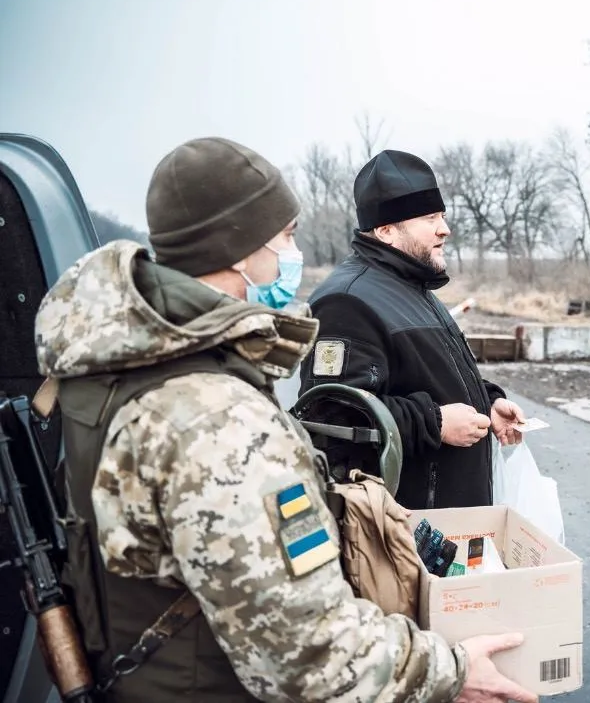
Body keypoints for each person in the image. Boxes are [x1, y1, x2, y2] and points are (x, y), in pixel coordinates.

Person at [34, 136, 536, 702]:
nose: (291, 254)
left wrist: (482, 396)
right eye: (287, 236)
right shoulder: (214, 414)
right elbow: (308, 649)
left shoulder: (110, 372)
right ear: (240, 248)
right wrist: (452, 669)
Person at [299, 149, 524, 510]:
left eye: (443, 216)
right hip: (403, 532)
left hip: (447, 524)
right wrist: (433, 422)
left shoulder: (413, 287)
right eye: (430, 217)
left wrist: (488, 401)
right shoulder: (347, 300)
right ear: (386, 230)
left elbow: (428, 375)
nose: (444, 229)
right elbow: (330, 420)